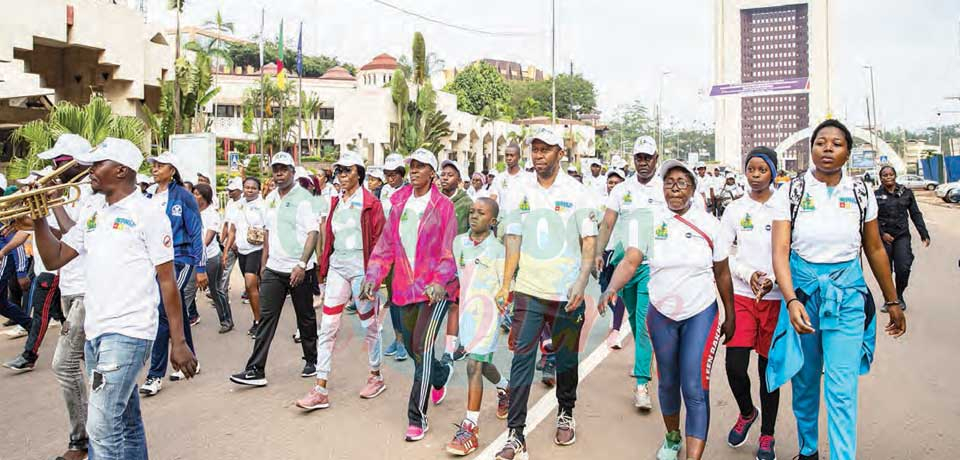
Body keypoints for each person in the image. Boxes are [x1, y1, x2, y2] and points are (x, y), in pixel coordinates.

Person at [30, 137, 198, 459]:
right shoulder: (94, 211)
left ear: (121, 170)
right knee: (126, 420)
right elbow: (55, 258)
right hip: (96, 331)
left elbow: (167, 281)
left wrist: (178, 341)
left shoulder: (148, 213)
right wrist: (39, 217)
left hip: (130, 332)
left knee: (102, 427)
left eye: (98, 164)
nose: (90, 171)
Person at [767, 119, 906, 460]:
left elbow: (874, 249)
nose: (828, 148)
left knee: (842, 388)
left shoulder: (859, 193)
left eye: (837, 143)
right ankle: (809, 450)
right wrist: (790, 300)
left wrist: (893, 299)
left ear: (847, 152)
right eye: (821, 142)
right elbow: (779, 251)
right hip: (804, 296)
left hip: (847, 299)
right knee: (804, 382)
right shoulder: (792, 191)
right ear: (811, 148)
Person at [600, 159, 736, 460]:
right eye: (669, 182)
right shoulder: (649, 222)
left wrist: (731, 314)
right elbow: (631, 260)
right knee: (669, 381)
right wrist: (611, 288)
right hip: (661, 314)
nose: (674, 187)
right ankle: (672, 438)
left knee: (694, 384)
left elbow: (723, 274)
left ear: (693, 189)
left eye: (682, 182)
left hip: (700, 313)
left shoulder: (710, 225)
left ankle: (693, 455)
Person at [493, 128, 598, 459]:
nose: (538, 155)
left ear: (560, 153)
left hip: (567, 293)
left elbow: (589, 242)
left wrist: (582, 281)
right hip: (530, 291)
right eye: (534, 149)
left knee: (566, 361)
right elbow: (513, 238)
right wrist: (506, 283)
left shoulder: (578, 192)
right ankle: (515, 435)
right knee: (522, 360)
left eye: (545, 150)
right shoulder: (518, 191)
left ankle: (566, 411)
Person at [360, 148, 458, 442]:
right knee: (416, 349)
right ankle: (440, 375)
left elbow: (449, 251)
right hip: (404, 290)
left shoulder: (443, 207)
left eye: (420, 166)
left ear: (432, 173)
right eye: (411, 166)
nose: (413, 171)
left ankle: (417, 417)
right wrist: (374, 276)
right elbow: (386, 245)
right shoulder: (398, 203)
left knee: (422, 346)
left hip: (436, 292)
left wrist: (440, 281)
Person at [296, 150, 386, 410]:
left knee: (369, 325)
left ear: (359, 172)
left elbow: (381, 241)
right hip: (338, 267)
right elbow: (328, 237)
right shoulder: (335, 201)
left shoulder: (371, 203)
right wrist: (323, 269)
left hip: (362, 269)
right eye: (339, 171)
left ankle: (376, 375)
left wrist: (375, 276)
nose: (342, 175)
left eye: (347, 170)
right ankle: (320, 388)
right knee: (328, 326)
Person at [230, 152, 322, 386]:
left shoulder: (304, 198)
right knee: (266, 318)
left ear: (292, 171)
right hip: (273, 269)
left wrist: (302, 264)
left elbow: (313, 233)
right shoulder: (270, 198)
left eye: (284, 169)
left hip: (298, 270)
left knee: (306, 318)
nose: (279, 174)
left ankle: (313, 360)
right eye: (275, 169)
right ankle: (255, 370)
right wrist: (264, 263)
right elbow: (268, 231)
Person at [716, 147, 782, 459]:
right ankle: (746, 412)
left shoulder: (784, 207)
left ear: (773, 172)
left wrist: (773, 280)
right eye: (751, 169)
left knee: (769, 373)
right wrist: (749, 274)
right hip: (743, 297)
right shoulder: (734, 210)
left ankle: (767, 435)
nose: (755, 176)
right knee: (734, 366)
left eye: (762, 170)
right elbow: (726, 252)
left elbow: (792, 252)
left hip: (775, 300)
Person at [593, 135, 663, 411]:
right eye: (639, 157)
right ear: (634, 160)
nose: (643, 162)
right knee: (634, 320)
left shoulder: (664, 188)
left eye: (648, 157)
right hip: (624, 267)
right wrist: (600, 252)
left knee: (644, 324)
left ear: (656, 159)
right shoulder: (621, 190)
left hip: (650, 266)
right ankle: (646, 361)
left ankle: (642, 383)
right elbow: (608, 223)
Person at [444, 198, 510, 456]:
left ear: (493, 221)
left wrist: (509, 318)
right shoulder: (459, 242)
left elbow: (505, 288)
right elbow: (454, 274)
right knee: (480, 362)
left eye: (481, 213)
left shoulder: (499, 250)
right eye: (472, 211)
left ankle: (470, 429)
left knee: (474, 365)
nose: (474, 216)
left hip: (489, 315)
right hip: (467, 316)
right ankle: (506, 387)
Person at [141, 152, 206, 396]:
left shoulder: (185, 197)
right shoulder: (146, 196)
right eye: (153, 165)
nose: (155, 169)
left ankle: (155, 375)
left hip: (180, 259)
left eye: (161, 165)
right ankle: (192, 359)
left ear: (173, 170)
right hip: (154, 260)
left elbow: (195, 232)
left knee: (163, 312)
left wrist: (199, 268)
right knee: (174, 307)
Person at [875, 165, 930, 311]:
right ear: (880, 178)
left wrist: (923, 233)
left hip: (901, 236)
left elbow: (915, 214)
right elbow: (871, 219)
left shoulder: (906, 193)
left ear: (895, 176)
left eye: (890, 174)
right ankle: (889, 300)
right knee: (885, 270)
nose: (888, 177)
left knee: (903, 268)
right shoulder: (874, 195)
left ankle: (899, 296)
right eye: (885, 175)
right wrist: (882, 234)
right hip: (883, 237)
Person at [222, 177, 266, 336]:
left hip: (257, 249)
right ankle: (260, 317)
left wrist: (267, 256)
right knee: (253, 286)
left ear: (258, 190)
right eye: (247, 187)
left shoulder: (263, 206)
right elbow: (232, 229)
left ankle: (259, 321)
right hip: (242, 250)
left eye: (253, 188)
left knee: (250, 284)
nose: (249, 190)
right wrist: (226, 250)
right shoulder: (237, 205)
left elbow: (268, 230)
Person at [439, 159, 473, 363]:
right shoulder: (436, 200)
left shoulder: (467, 204)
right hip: (436, 264)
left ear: (459, 179)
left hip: (458, 264)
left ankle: (449, 351)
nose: (445, 178)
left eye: (450, 175)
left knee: (455, 306)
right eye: (443, 174)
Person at [379, 152, 410, 362]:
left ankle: (405, 340)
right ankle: (398, 337)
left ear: (401, 173)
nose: (391, 178)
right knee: (392, 298)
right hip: (387, 250)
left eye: (394, 174)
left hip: (405, 252)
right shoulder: (383, 192)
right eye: (387, 174)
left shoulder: (409, 192)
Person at [193, 183, 233, 333]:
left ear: (205, 197)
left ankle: (226, 320)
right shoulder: (192, 211)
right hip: (192, 258)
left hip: (210, 258)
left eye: (197, 194)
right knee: (187, 292)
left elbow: (207, 240)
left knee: (216, 290)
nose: (193, 196)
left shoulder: (212, 214)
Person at [595, 167, 626, 350]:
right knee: (605, 288)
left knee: (618, 290)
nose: (613, 186)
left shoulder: (629, 203)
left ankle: (616, 329)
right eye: (610, 182)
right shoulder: (600, 202)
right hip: (605, 250)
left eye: (617, 183)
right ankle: (616, 319)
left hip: (622, 251)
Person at [220, 178, 243, 299]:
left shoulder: (245, 203)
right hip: (230, 242)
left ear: (240, 190)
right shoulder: (229, 203)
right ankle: (221, 294)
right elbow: (226, 224)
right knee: (224, 269)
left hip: (243, 244)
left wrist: (238, 242)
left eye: (232, 191)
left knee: (248, 273)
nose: (229, 193)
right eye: (229, 190)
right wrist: (222, 241)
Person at [488, 143, 529, 207]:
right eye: (507, 155)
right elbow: (493, 198)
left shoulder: (528, 178)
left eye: (512, 155)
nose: (508, 158)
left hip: (522, 215)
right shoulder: (499, 178)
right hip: (503, 215)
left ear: (519, 157)